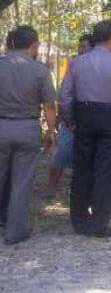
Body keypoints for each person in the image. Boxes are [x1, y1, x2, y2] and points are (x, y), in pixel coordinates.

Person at [59, 19, 111, 237]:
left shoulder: (77, 63)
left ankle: (78, 220)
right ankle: (99, 223)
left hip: (84, 116)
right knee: (105, 170)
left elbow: (65, 96)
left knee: (82, 168)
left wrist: (70, 120)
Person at [0, 26, 57, 244]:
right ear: (34, 45)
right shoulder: (40, 71)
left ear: (11, 44)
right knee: (21, 182)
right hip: (27, 128)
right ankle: (15, 231)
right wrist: (51, 131)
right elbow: (49, 106)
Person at [45, 34, 93, 200]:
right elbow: (64, 94)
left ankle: (80, 192)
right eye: (79, 46)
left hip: (89, 120)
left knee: (86, 158)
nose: (80, 49)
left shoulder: (98, 67)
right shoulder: (73, 64)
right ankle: (51, 188)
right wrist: (64, 118)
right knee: (61, 155)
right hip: (70, 120)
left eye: (84, 46)